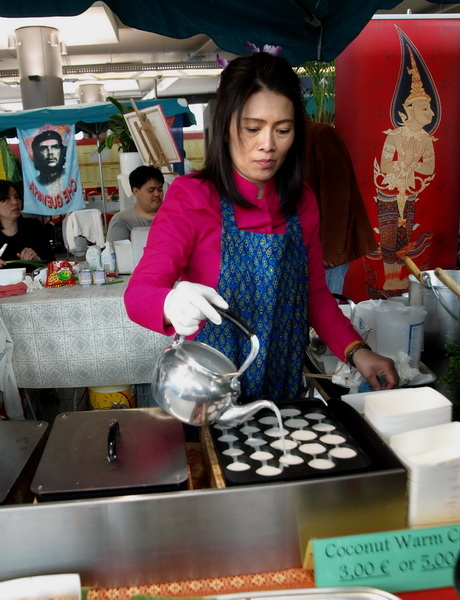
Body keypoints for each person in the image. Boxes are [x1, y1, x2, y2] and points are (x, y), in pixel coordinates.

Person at [125, 52, 399, 402]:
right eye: (252, 129)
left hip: (283, 386)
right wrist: (169, 302)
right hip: (211, 393)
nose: (267, 145)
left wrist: (357, 351)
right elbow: (139, 292)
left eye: (282, 130)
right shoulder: (192, 196)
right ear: (225, 128)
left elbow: (315, 294)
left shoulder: (302, 202)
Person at [305, 118, 377, 295]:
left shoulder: (320, 135)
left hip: (325, 247)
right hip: (300, 244)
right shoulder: (283, 143)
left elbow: (337, 195)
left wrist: (331, 249)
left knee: (323, 304)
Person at [0, 180, 55, 268]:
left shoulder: (33, 226)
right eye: (7, 198)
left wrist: (37, 260)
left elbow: (52, 263)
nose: (15, 202)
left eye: (17, 197)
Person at [107, 165, 165, 243]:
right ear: (136, 191)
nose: (157, 194)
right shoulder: (122, 221)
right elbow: (118, 249)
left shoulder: (174, 215)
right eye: (151, 190)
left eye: (160, 189)